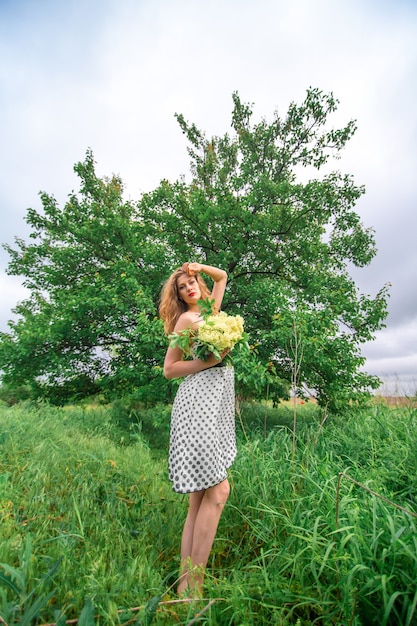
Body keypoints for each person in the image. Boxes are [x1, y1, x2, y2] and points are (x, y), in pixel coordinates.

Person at [159, 262, 237, 596]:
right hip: (197, 404)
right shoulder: (187, 320)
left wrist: (199, 267)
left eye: (192, 282)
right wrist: (209, 361)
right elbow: (169, 369)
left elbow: (222, 277)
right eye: (182, 287)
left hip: (214, 402)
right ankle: (195, 586)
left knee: (198, 499)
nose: (189, 287)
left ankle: (184, 588)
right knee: (218, 491)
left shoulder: (209, 311)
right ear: (177, 296)